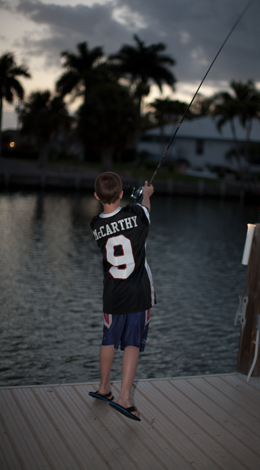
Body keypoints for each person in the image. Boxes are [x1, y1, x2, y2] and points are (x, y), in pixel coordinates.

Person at [89, 172, 155, 422]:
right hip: (138, 293)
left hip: (112, 295)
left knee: (108, 340)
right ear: (120, 194)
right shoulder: (137, 214)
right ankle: (124, 398)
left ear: (96, 196)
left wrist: (135, 201)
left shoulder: (95, 224)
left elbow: (117, 217)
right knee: (132, 344)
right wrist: (145, 194)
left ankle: (104, 387)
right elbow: (144, 208)